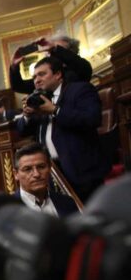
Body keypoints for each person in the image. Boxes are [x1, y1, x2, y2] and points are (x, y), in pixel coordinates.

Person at [17, 56, 109, 202]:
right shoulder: (39, 98)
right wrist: (27, 115)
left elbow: (92, 119)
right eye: (34, 77)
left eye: (42, 74)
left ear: (58, 74)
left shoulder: (80, 90)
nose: (37, 80)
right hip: (52, 172)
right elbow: (22, 130)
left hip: (81, 170)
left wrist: (54, 110)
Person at [10, 34, 92, 95]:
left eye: (57, 49)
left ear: (71, 52)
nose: (52, 53)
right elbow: (19, 86)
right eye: (50, 51)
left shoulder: (78, 70)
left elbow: (84, 67)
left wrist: (55, 48)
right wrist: (14, 67)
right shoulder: (47, 76)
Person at [13, 143, 78, 217]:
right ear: (16, 174)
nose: (36, 174)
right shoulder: (6, 209)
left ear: (50, 168)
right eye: (27, 169)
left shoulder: (67, 203)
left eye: (41, 167)